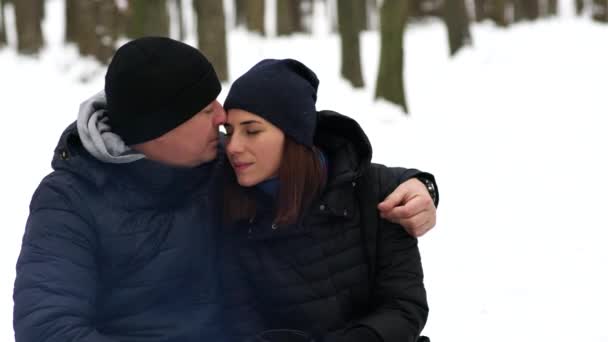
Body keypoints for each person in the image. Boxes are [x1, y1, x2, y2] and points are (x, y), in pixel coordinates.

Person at [13, 37, 438, 342]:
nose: (222, 117)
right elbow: (46, 327)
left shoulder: (221, 163)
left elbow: (310, 154)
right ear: (160, 130)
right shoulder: (69, 200)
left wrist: (419, 186)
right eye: (205, 110)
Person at [220, 59, 429, 342]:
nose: (233, 146)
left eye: (252, 131)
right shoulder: (229, 204)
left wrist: (423, 185)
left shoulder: (379, 194)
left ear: (294, 135)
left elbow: (404, 307)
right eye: (229, 132)